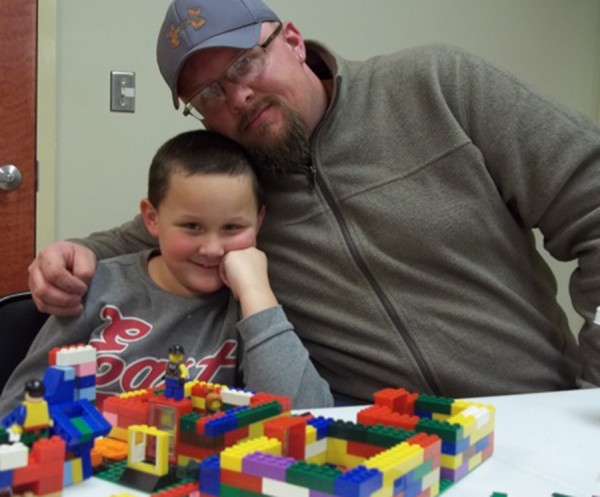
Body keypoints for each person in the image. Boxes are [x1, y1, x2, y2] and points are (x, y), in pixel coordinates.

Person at [27, 0, 600, 403]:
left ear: (293, 41)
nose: (238, 96)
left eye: (244, 63)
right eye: (209, 94)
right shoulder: (237, 192)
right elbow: (146, 234)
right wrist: (67, 254)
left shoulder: (438, 86)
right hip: (366, 440)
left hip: (530, 409)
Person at [0, 129, 333, 417]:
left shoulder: (249, 308)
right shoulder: (97, 290)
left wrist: (257, 294)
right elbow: (18, 406)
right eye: (192, 226)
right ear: (152, 219)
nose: (212, 249)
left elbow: (308, 417)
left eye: (233, 227)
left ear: (259, 221)